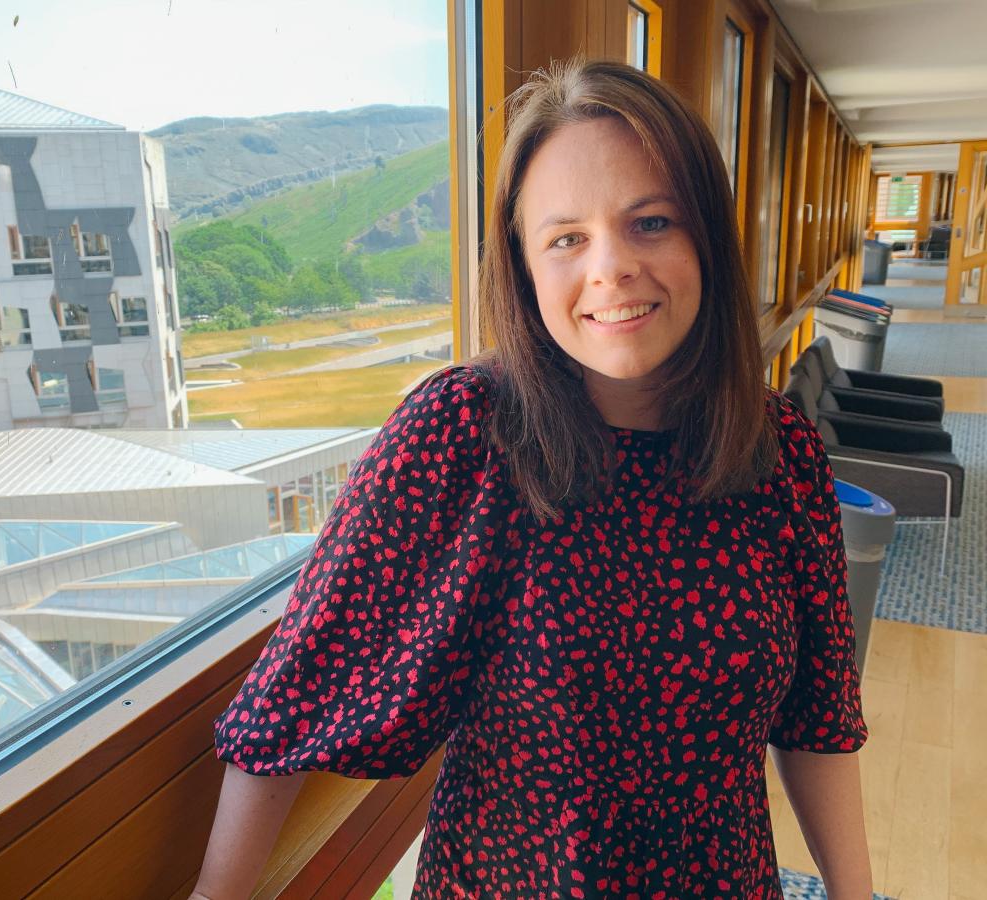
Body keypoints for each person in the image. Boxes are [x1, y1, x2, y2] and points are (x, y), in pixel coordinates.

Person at [191, 59, 872, 899]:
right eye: (566, 238)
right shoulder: (460, 436)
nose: (611, 266)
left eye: (651, 221)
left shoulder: (783, 454)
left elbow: (818, 713)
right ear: (523, 266)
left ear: (707, 237)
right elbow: (291, 696)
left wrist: (854, 892)